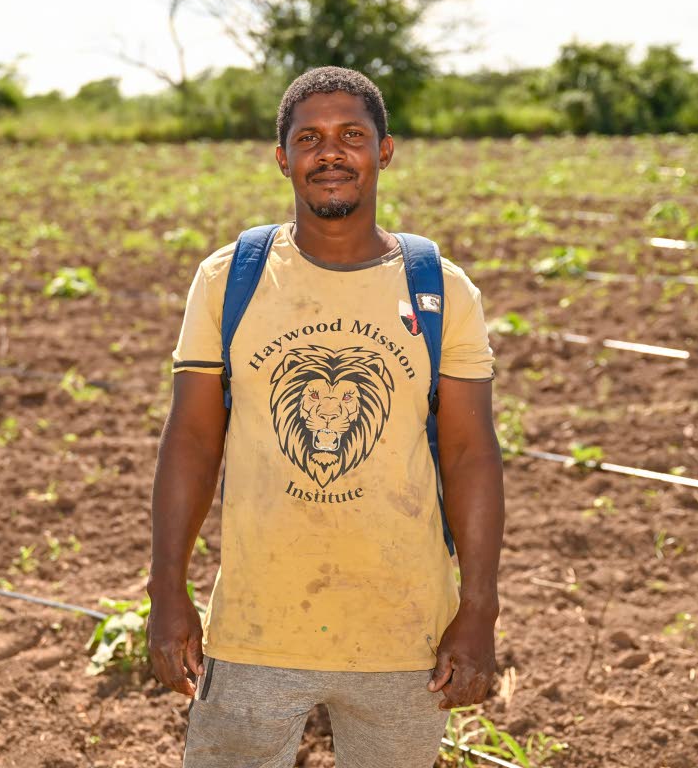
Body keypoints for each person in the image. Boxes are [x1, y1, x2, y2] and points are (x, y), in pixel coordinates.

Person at [146, 65, 505, 768]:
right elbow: (191, 440)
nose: (330, 153)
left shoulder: (441, 289)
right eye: (309, 139)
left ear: (385, 150)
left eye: (351, 136)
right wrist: (167, 590)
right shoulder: (230, 278)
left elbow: (471, 456)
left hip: (404, 631)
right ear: (283, 159)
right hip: (254, 627)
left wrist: (479, 610)